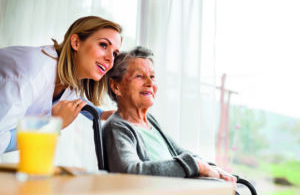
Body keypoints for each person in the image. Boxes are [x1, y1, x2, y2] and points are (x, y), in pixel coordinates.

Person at [103, 46, 237, 183]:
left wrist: (212, 168)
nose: (150, 83)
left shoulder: (149, 121)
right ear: (115, 86)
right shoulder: (117, 128)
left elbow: (180, 152)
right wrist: (196, 165)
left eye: (152, 76)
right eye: (139, 76)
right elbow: (129, 173)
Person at [0, 16, 122, 154]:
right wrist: (52, 125)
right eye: (103, 45)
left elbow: (75, 99)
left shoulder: (68, 77)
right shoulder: (31, 74)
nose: (110, 59)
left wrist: (101, 114)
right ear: (76, 42)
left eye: (115, 54)